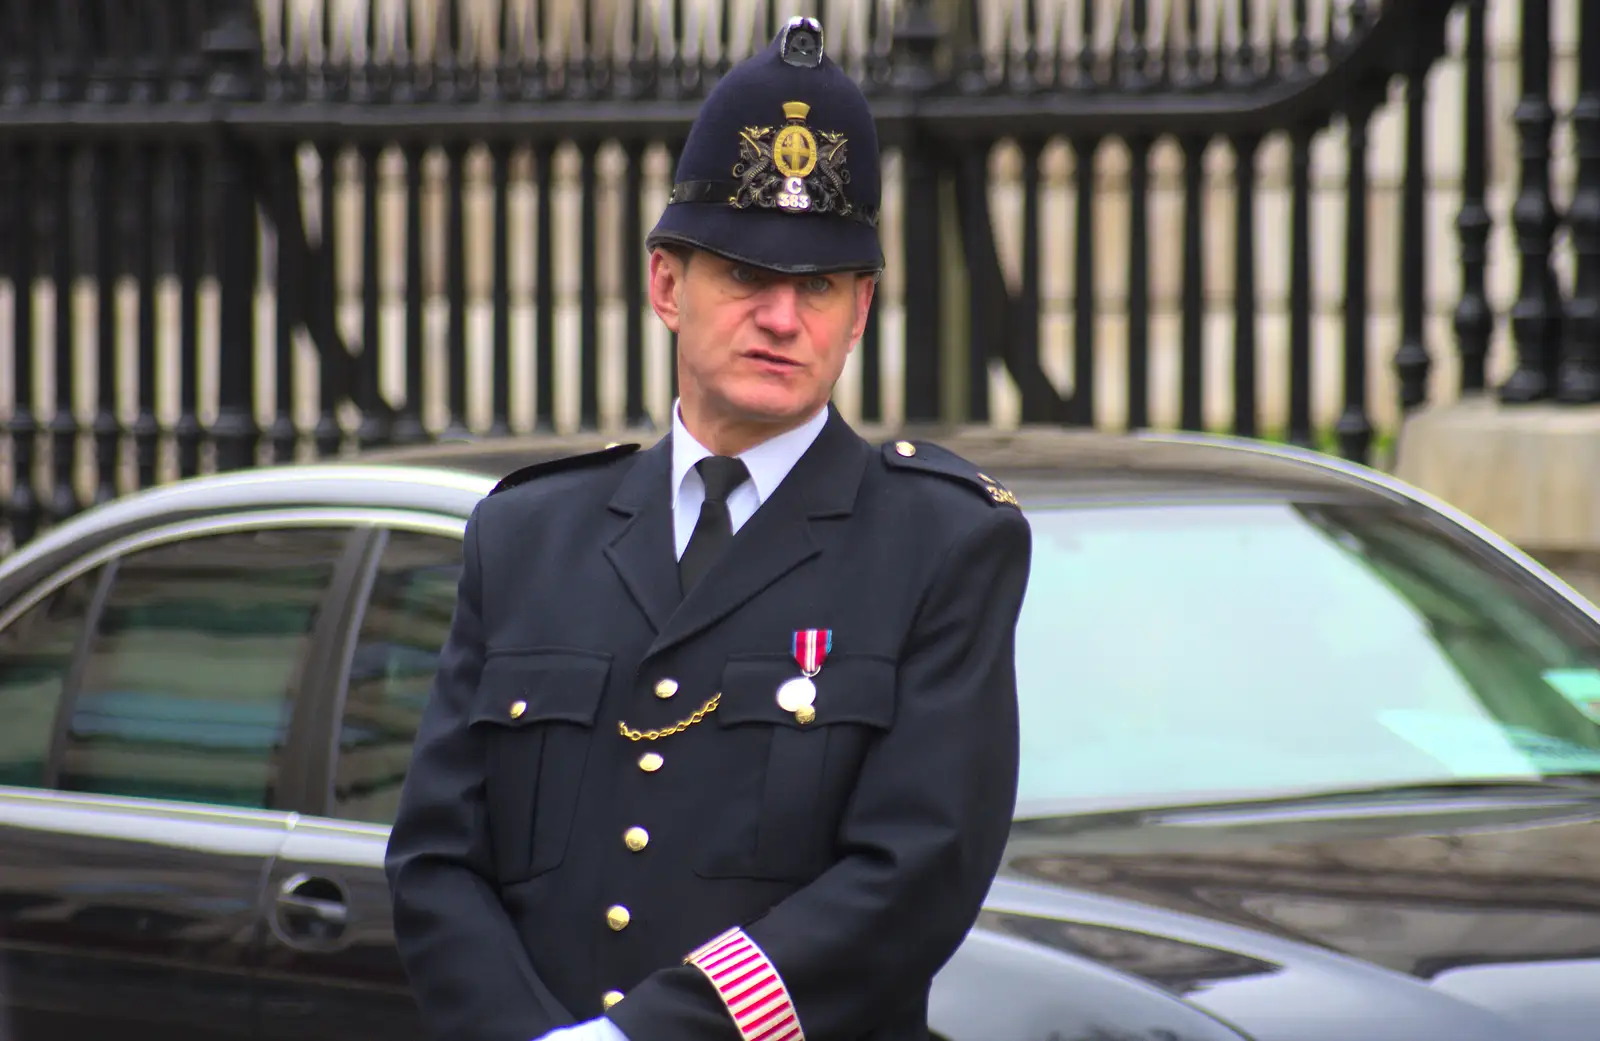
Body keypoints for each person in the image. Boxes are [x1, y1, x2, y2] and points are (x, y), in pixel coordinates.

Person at [384, 16, 1033, 1041]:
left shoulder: (943, 547)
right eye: (745, 274)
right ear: (666, 285)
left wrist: (643, 1038)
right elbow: (435, 860)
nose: (783, 318)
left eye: (817, 286)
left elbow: (911, 875)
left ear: (859, 311)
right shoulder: (527, 536)